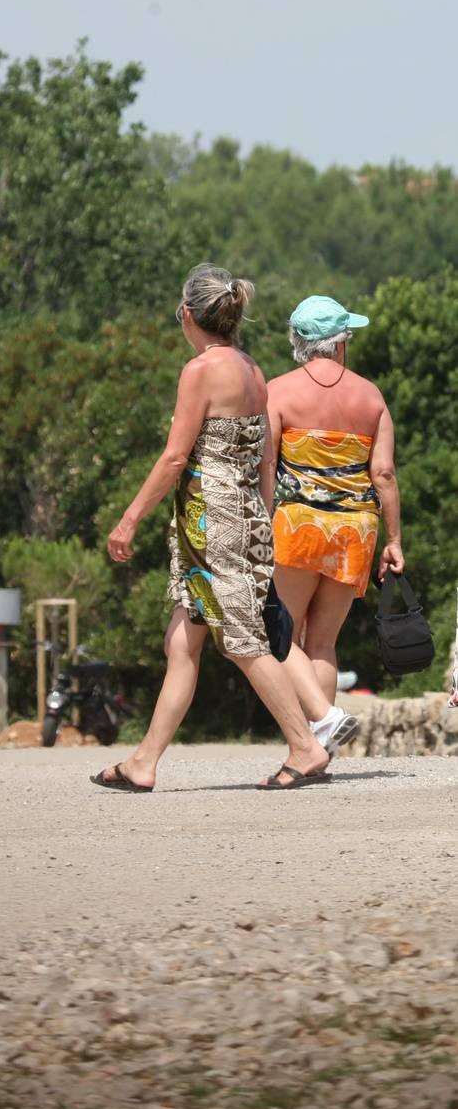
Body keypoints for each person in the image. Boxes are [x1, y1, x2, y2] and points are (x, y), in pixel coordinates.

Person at [92, 264, 332, 792]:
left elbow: (175, 457)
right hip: (240, 518)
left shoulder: (200, 370)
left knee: (241, 641)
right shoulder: (252, 370)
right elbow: (263, 459)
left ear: (187, 314)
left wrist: (128, 520)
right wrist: (261, 523)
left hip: (213, 524)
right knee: (182, 643)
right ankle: (144, 762)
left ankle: (305, 745)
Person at [264, 295, 404, 747]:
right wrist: (394, 541)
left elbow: (267, 465)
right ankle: (321, 744)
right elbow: (383, 474)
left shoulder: (278, 391)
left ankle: (316, 732)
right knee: (322, 642)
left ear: (298, 341)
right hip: (355, 531)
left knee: (280, 632)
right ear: (341, 342)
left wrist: (258, 524)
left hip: (297, 528)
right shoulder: (371, 395)